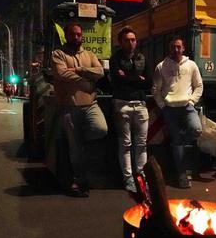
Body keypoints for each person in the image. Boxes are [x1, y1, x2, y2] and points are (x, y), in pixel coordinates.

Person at [51, 22, 108, 197]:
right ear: (66, 36)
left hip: (91, 104)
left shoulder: (89, 54)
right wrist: (86, 79)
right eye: (72, 34)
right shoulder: (58, 54)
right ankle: (79, 181)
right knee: (74, 148)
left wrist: (78, 69)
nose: (76, 37)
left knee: (101, 129)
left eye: (78, 35)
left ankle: (81, 140)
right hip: (69, 107)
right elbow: (61, 74)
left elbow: (100, 72)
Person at [152, 37, 204, 188]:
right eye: (173, 47)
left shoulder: (191, 65)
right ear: (170, 49)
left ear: (183, 49)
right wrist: (162, 106)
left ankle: (181, 142)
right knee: (176, 142)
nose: (176, 50)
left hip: (187, 107)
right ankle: (182, 176)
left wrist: (192, 101)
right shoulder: (161, 67)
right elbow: (156, 89)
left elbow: (199, 85)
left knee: (196, 129)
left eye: (178, 47)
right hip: (170, 109)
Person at [110, 26, 152, 193]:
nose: (130, 43)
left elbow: (148, 83)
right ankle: (128, 179)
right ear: (120, 42)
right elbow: (116, 81)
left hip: (141, 105)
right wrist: (137, 79)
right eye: (127, 40)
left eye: (133, 40)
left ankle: (141, 178)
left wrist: (127, 78)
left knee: (141, 144)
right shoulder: (115, 59)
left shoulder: (142, 58)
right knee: (125, 144)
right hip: (122, 104)